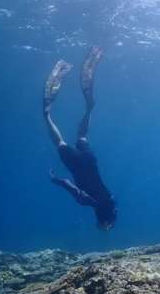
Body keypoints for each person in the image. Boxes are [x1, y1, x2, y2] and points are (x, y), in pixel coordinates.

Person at [43, 46, 117, 229]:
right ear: (101, 218)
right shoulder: (88, 202)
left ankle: (89, 108)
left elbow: (110, 213)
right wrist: (56, 180)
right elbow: (70, 185)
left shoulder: (111, 200)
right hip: (77, 166)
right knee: (60, 142)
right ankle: (47, 116)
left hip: (91, 162)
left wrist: (107, 222)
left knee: (82, 135)